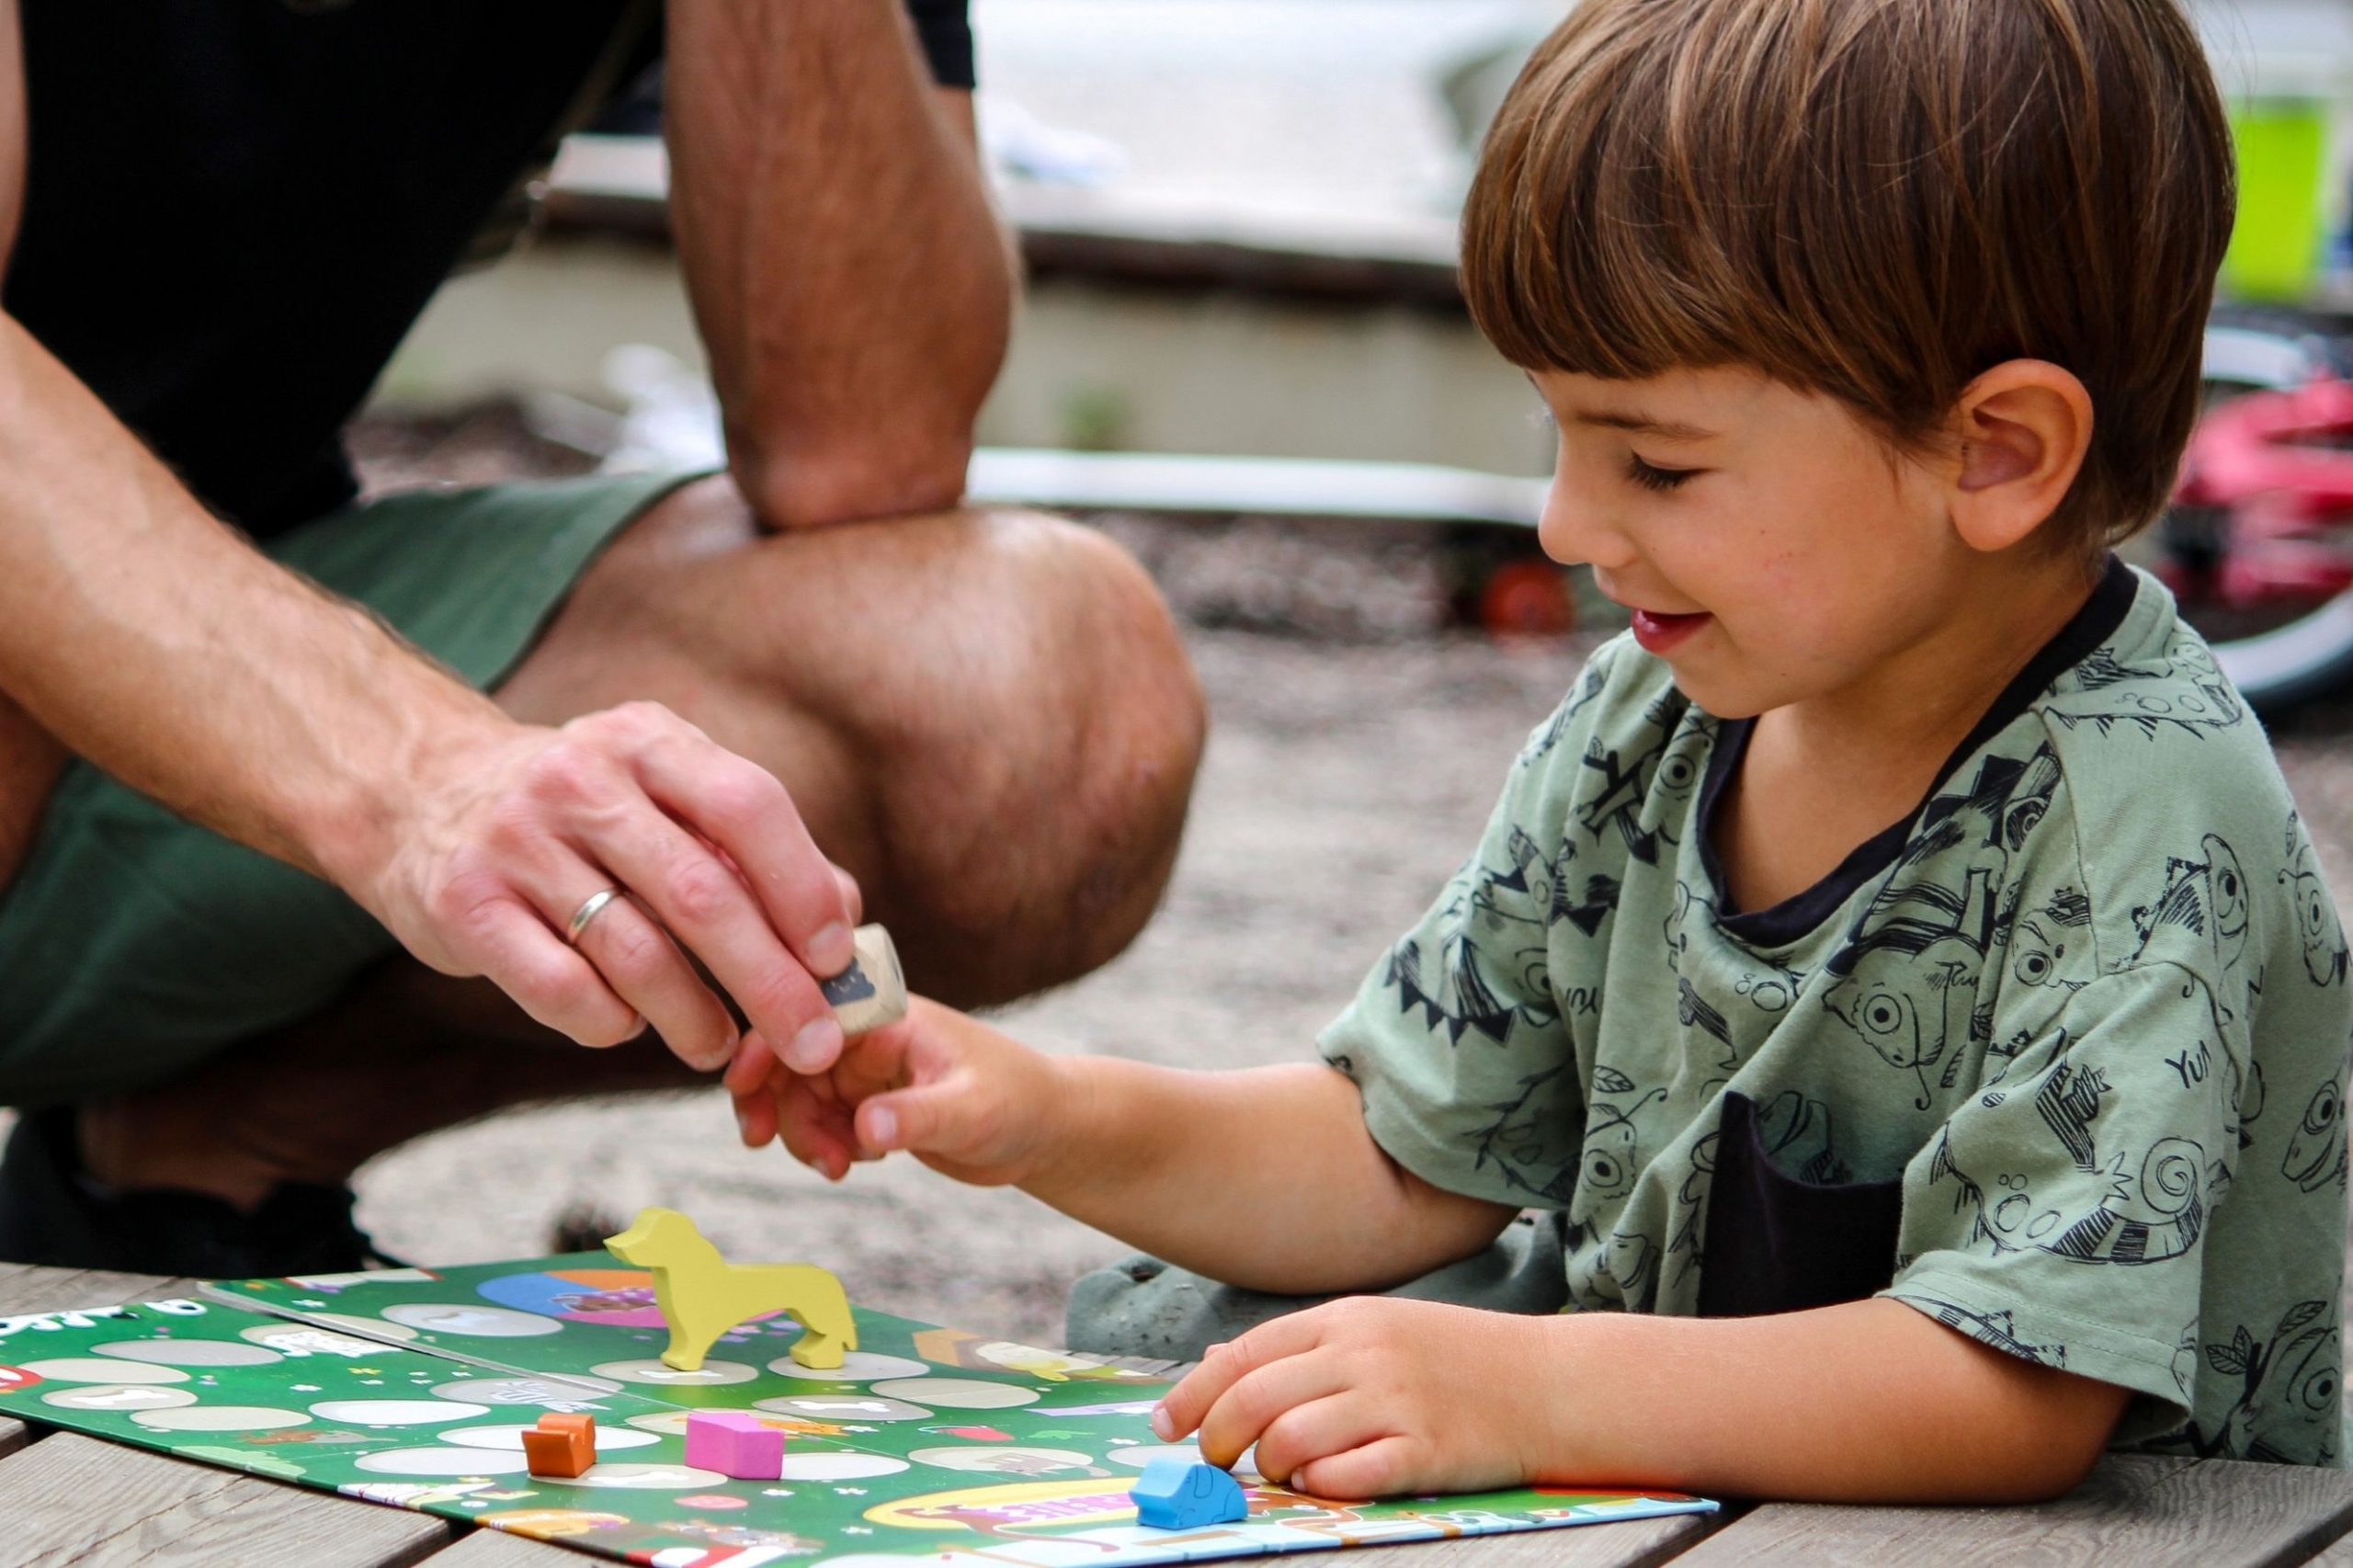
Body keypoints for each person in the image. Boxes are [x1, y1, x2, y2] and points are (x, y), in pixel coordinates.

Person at [728, 0, 2353, 1504]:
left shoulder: (2142, 813)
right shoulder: (1657, 717)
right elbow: (1399, 1156)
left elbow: (2013, 1392)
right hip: (1691, 1474)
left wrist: (1532, 1391)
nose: (1565, 523)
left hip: (2092, 1532)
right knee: (1240, 1335)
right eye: (1558, 435)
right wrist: (1036, 1109)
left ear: (1995, 453)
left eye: (1655, 462)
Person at [0, 0, 1204, 1276]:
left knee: (1038, 704)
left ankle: (190, 1160)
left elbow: (861, 446)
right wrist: (421, 774)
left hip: (176, 650)